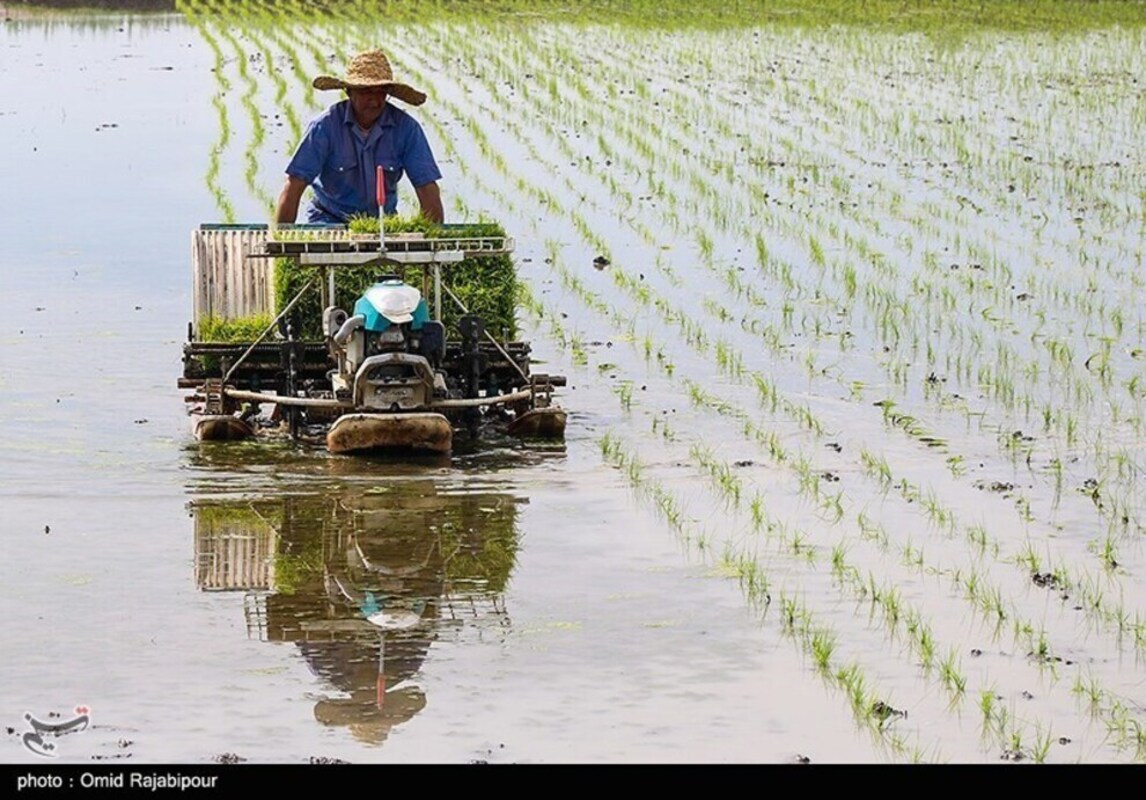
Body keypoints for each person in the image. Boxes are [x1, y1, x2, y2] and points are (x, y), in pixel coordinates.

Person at [274, 49, 444, 225]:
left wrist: (433, 242)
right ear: (349, 92)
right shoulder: (324, 127)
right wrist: (282, 243)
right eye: (366, 92)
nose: (374, 101)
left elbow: (426, 188)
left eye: (380, 92)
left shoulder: (407, 129)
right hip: (328, 219)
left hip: (382, 224)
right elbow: (294, 185)